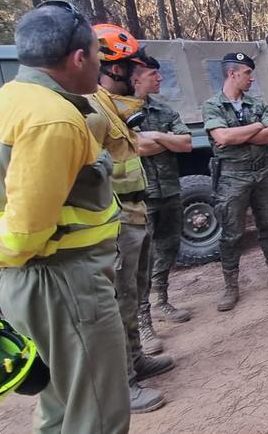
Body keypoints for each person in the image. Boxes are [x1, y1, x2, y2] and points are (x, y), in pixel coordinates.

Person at [0, 0, 129, 433]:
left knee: (60, 407)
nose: (101, 66)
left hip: (26, 284)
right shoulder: (54, 119)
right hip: (63, 283)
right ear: (78, 57)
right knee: (96, 415)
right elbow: (27, 230)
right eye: (98, 54)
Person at [85, 24, 175, 414]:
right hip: (114, 216)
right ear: (113, 67)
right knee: (118, 300)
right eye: (130, 65)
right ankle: (124, 383)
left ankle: (136, 358)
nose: (137, 72)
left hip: (134, 210)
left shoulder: (111, 104)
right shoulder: (91, 106)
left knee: (134, 292)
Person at [204, 52, 268, 312]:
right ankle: (230, 286)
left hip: (263, 172)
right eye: (247, 73)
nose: (251, 78)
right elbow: (222, 137)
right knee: (232, 232)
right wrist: (255, 127)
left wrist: (241, 133)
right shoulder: (212, 106)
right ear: (232, 73)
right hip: (232, 176)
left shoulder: (256, 103)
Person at [131, 55, 195, 339]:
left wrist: (154, 135)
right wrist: (163, 140)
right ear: (137, 78)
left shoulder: (163, 110)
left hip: (169, 189)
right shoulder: (119, 111)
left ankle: (162, 302)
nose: (159, 79)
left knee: (167, 247)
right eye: (153, 75)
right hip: (139, 195)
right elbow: (135, 148)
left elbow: (185, 143)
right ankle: (143, 322)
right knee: (141, 258)